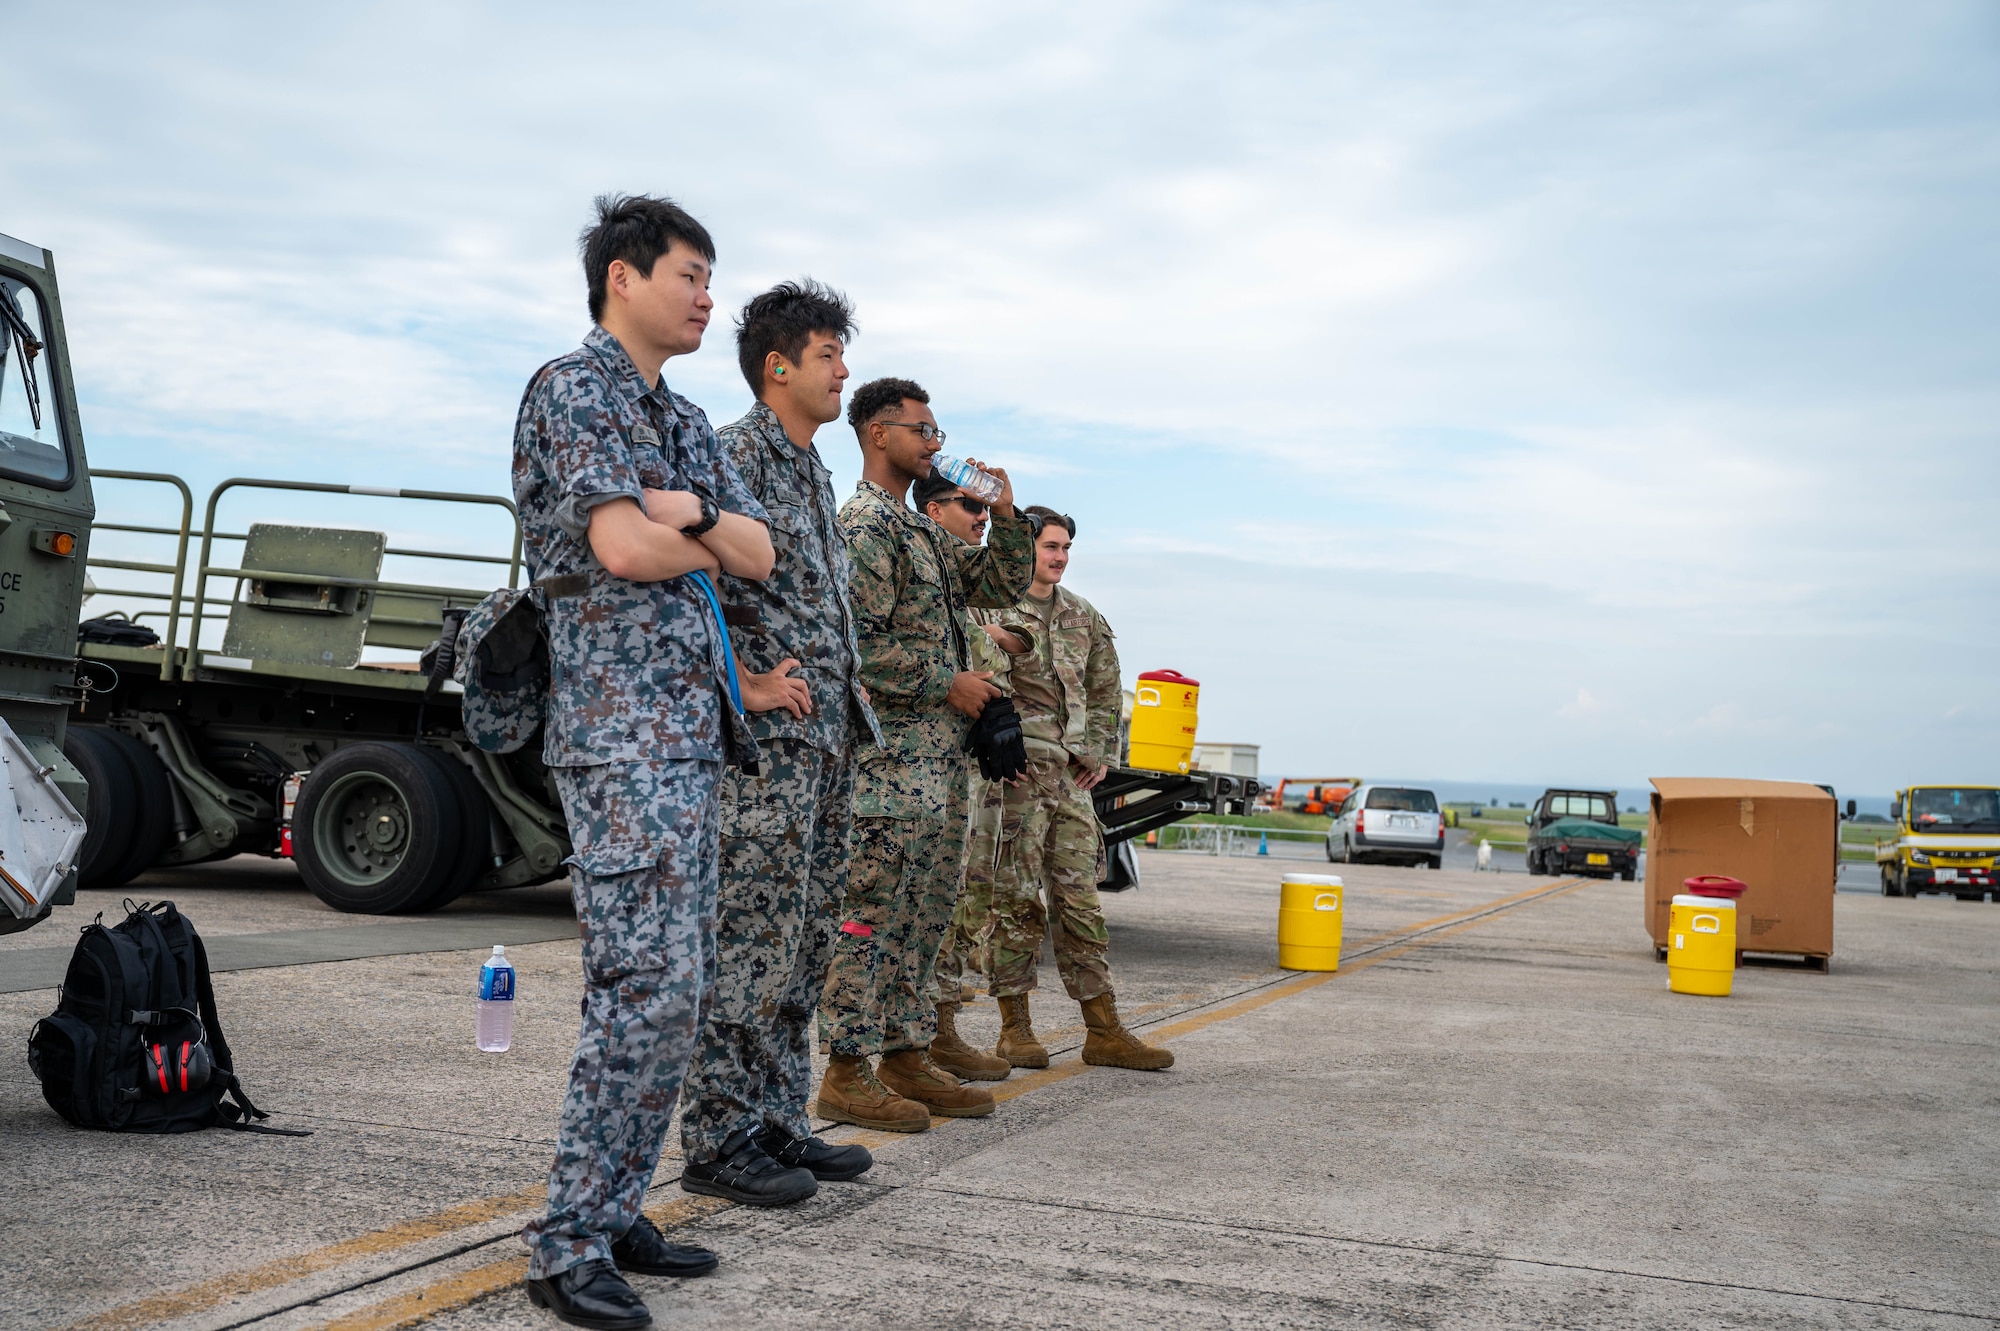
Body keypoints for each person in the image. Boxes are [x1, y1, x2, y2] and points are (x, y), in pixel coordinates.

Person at [514, 194, 775, 1331]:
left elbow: (754, 553)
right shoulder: (574, 390)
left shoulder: (679, 418)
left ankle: (615, 1205)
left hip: (684, 730)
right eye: (688, 275)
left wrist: (697, 507)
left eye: (710, 279)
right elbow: (619, 546)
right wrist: (693, 530)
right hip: (620, 735)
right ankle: (567, 1241)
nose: (705, 297)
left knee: (672, 989)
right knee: (644, 990)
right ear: (622, 277)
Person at [677, 281, 884, 1204]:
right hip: (766, 751)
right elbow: (686, 592)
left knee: (801, 945)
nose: (844, 370)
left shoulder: (812, 470)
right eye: (829, 354)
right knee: (747, 943)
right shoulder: (731, 459)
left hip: (827, 744)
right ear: (779, 366)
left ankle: (778, 1121)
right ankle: (720, 1139)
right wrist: (742, 684)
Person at [815, 378, 1034, 1130]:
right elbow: (855, 648)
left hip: (936, 768)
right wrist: (950, 681)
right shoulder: (865, 528)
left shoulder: (920, 531)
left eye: (938, 432)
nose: (936, 444)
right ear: (879, 434)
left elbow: (1002, 582)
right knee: (870, 917)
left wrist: (1006, 518)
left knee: (922, 916)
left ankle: (906, 1052)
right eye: (923, 431)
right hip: (888, 769)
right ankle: (846, 1068)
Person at [971, 506, 1174, 1073]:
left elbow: (1107, 689)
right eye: (1049, 547)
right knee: (1013, 903)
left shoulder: (1084, 616)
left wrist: (1100, 755)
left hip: (1068, 781)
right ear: (1025, 548)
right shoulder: (990, 608)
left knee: (1081, 902)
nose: (1058, 557)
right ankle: (1015, 1028)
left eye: (1065, 549)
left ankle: (1103, 1028)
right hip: (1012, 779)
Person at [912, 472, 1024, 1082]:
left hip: (964, 766)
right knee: (908, 907)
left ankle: (940, 1028)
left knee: (960, 899)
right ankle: (899, 1040)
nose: (981, 517)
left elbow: (1015, 623)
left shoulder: (960, 579)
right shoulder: (907, 560)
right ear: (934, 508)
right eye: (970, 506)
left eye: (987, 509)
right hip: (910, 767)